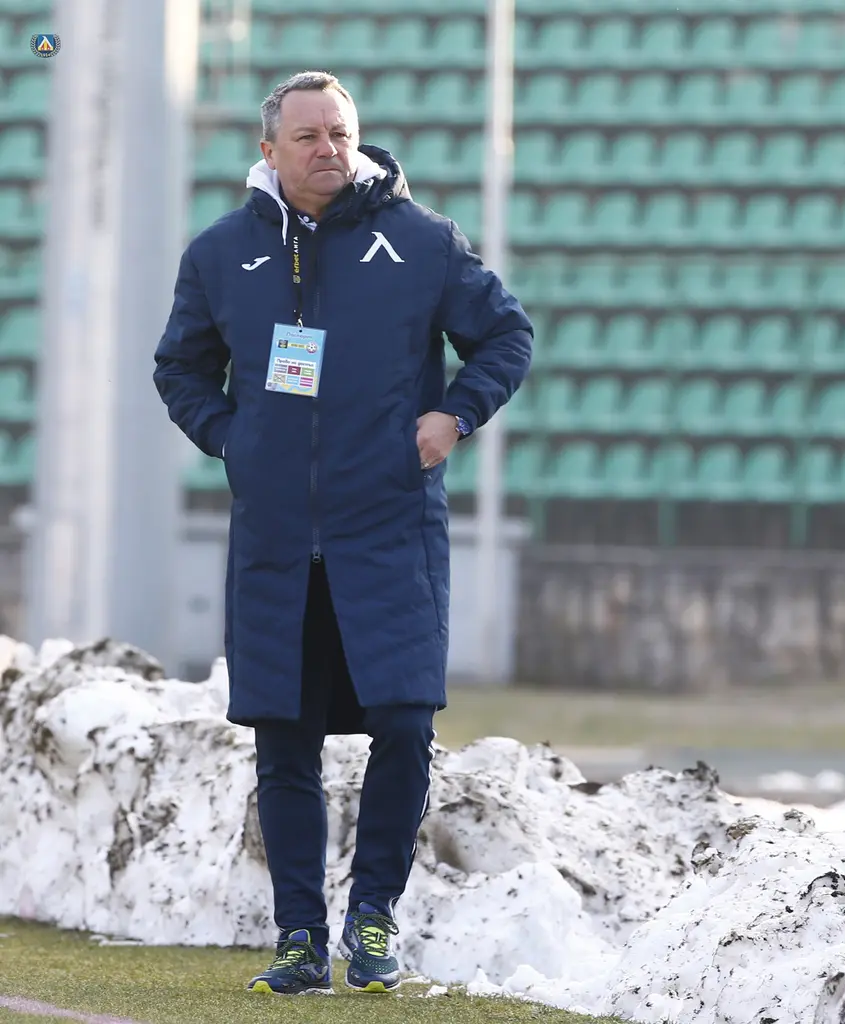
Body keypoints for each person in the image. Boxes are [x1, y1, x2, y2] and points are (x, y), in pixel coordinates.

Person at [153, 70, 532, 995]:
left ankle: (373, 918)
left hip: (390, 530)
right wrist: (233, 439)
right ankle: (298, 937)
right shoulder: (221, 254)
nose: (330, 149)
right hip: (277, 543)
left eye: (341, 134)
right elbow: (180, 369)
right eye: (310, 136)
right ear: (269, 150)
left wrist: (454, 417)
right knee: (284, 741)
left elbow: (506, 336)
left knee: (404, 724)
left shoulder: (423, 240)